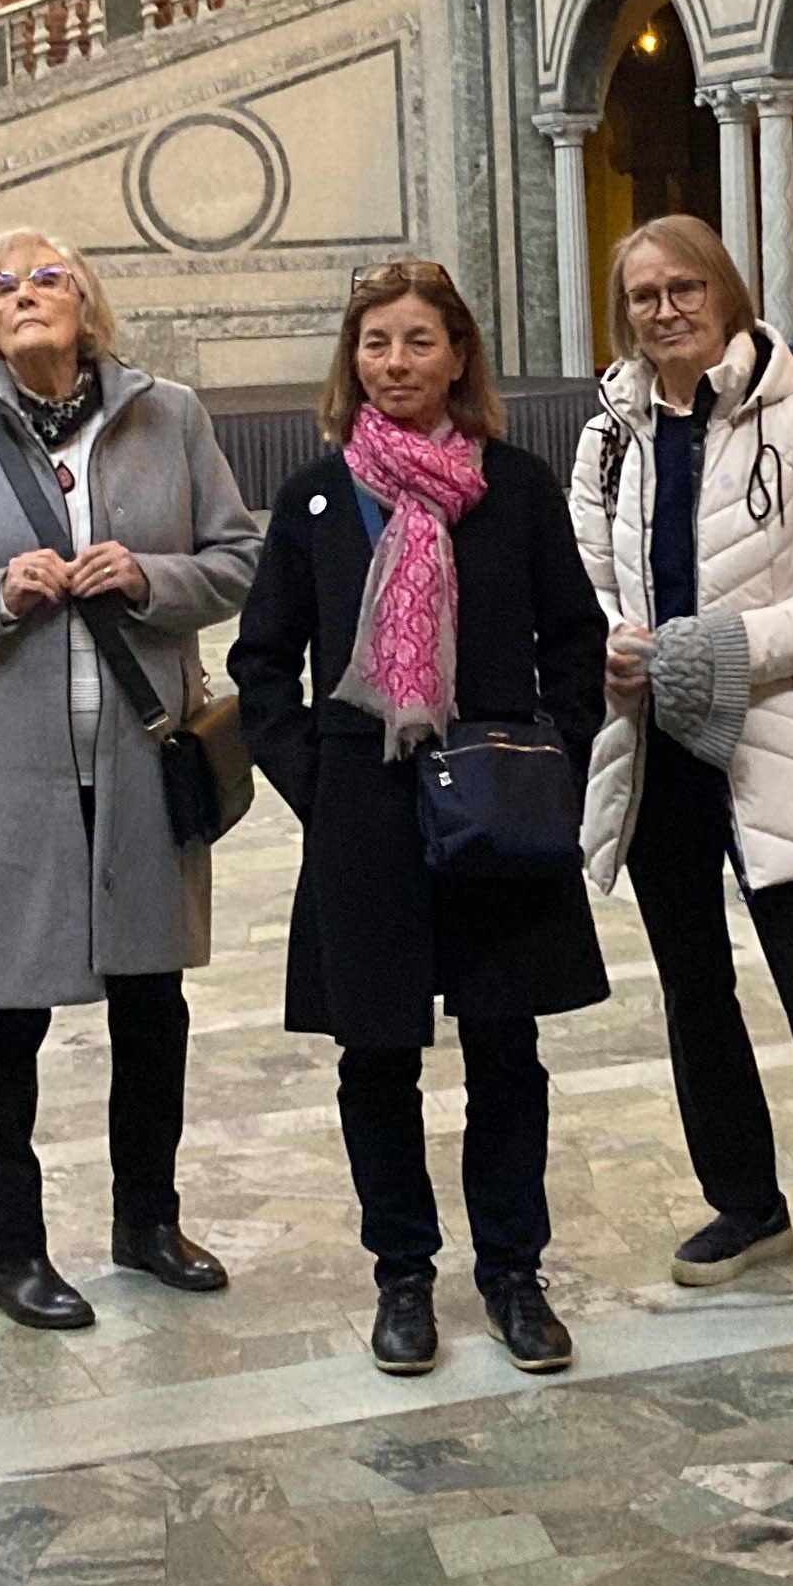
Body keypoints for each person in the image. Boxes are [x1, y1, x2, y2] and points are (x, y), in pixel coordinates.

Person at [0, 228, 257, 1329]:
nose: (25, 294)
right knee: (3, 1019)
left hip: (143, 760)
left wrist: (151, 577)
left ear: (88, 304)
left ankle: (148, 1223)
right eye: (2, 286)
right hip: (11, 778)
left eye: (47, 277)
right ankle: (12, 1253)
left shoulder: (170, 416)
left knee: (153, 1006)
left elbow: (236, 561)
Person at [232, 257, 607, 1380]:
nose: (395, 363)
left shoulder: (516, 486)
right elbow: (261, 661)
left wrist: (552, 751)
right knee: (377, 1052)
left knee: (505, 1046)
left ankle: (514, 1274)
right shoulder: (315, 496)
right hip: (365, 807)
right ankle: (403, 1275)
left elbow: (574, 638)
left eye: (418, 342)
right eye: (375, 343)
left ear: (459, 357)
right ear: (352, 361)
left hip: (494, 796)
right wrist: (317, 779)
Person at [572, 215, 793, 1322]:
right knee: (693, 985)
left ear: (726, 294)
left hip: (775, 735)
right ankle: (746, 1201)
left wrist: (725, 648)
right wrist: (612, 644)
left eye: (685, 287)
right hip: (656, 743)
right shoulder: (608, 438)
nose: (666, 310)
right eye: (644, 295)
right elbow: (586, 578)